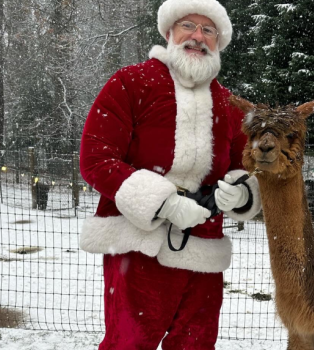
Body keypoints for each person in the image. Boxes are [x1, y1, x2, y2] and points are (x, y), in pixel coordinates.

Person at [78, 0, 261, 349]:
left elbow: (245, 165)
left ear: (218, 41)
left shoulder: (228, 103)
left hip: (203, 247)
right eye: (188, 25)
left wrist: (242, 192)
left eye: (208, 30)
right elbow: (96, 158)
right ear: (169, 32)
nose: (198, 36)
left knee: (196, 342)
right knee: (129, 343)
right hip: (137, 244)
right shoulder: (130, 83)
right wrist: (164, 203)